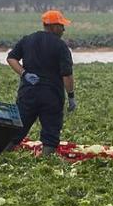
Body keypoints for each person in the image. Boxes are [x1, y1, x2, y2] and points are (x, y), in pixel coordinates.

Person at [8, 10, 76, 158]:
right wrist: (71, 96)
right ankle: (46, 160)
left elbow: (11, 58)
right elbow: (67, 75)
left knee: (17, 128)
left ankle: (4, 156)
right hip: (51, 96)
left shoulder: (28, 40)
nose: (64, 30)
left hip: (28, 93)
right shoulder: (61, 46)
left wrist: (24, 73)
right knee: (51, 131)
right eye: (61, 26)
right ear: (52, 26)